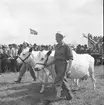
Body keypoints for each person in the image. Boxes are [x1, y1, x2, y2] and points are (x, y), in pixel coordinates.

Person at [54, 32, 73, 99]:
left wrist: (69, 69)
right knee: (63, 80)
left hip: (63, 64)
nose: (55, 39)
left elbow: (70, 58)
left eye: (57, 37)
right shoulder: (56, 46)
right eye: (55, 37)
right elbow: (55, 57)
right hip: (56, 64)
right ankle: (69, 95)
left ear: (61, 38)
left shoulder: (66, 46)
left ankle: (63, 93)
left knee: (57, 80)